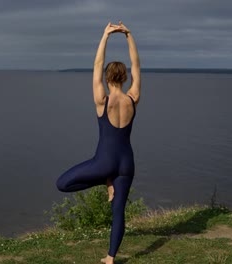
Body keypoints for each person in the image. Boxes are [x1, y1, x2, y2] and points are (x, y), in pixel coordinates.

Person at [56, 21, 141, 264]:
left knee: (62, 184)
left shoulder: (101, 100)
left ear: (106, 77)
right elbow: (137, 65)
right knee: (118, 212)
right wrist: (128, 35)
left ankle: (104, 180)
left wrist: (105, 35)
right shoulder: (133, 99)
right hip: (126, 163)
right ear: (124, 77)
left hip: (103, 162)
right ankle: (110, 258)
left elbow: (95, 65)